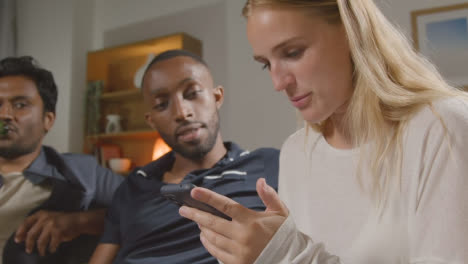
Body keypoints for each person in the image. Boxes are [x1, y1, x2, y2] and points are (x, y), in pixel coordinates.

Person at [179, 0, 468, 263]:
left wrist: (285, 253)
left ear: (351, 31)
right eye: (266, 64)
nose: (278, 82)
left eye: (292, 53)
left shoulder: (443, 128)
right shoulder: (297, 150)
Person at [89, 49, 279, 264]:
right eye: (162, 104)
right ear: (151, 120)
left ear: (217, 97)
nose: (181, 112)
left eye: (192, 93)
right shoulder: (134, 184)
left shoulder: (269, 165)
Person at [0, 56, 123, 264]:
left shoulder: (80, 171)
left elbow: (145, 205)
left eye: (20, 104)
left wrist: (79, 222)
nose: (5, 115)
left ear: (48, 119)